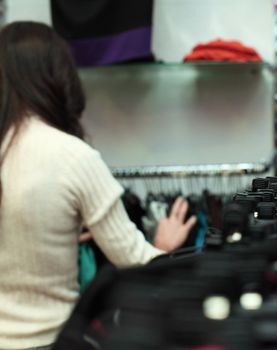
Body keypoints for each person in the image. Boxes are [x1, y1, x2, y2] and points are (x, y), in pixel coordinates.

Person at [0, 21, 197, 350]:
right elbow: (135, 263)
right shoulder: (73, 157)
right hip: (52, 341)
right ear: (58, 77)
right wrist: (164, 247)